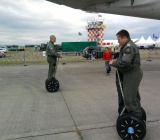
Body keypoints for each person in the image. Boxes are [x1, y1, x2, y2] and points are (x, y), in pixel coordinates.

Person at [109, 29, 143, 117]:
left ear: (124, 38)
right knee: (133, 97)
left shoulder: (129, 47)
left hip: (132, 73)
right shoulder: (128, 46)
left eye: (119, 39)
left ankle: (135, 118)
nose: (118, 41)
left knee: (129, 99)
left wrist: (114, 63)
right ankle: (138, 115)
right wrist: (118, 60)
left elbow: (125, 63)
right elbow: (126, 59)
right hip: (130, 73)